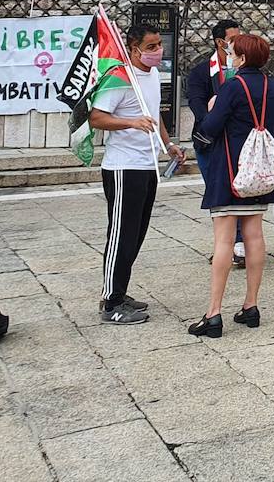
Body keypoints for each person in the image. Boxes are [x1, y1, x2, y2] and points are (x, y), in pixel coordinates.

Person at [193, 33, 274, 336]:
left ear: (241, 58)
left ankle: (213, 313)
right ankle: (250, 305)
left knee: (224, 241)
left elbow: (211, 127)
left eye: (230, 52)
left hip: (230, 171)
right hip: (260, 174)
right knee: (254, 235)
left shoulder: (232, 87)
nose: (228, 55)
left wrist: (214, 107)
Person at [90, 22, 184, 325]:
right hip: (123, 166)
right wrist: (130, 123)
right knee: (121, 233)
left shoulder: (154, 75)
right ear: (134, 48)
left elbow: (153, 112)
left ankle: (120, 290)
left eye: (160, 45)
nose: (158, 51)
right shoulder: (119, 78)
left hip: (147, 165)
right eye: (152, 46)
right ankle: (111, 302)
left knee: (136, 234)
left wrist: (167, 144)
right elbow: (97, 118)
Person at [186, 18, 245, 267]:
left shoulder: (243, 69)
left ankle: (240, 244)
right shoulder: (201, 72)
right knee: (217, 194)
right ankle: (225, 245)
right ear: (221, 42)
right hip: (210, 142)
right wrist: (216, 115)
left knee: (241, 191)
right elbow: (198, 107)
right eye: (233, 39)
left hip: (237, 141)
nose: (238, 42)